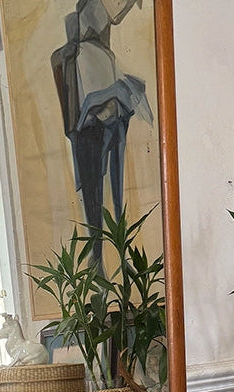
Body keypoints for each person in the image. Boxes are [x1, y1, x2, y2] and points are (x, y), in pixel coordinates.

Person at [52, 0, 153, 248]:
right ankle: (98, 259)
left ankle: (118, 250)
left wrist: (122, 95)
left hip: (112, 127)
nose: (103, 20)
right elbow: (81, 111)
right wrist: (116, 92)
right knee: (94, 199)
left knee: (115, 199)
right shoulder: (71, 55)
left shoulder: (105, 56)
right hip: (88, 133)